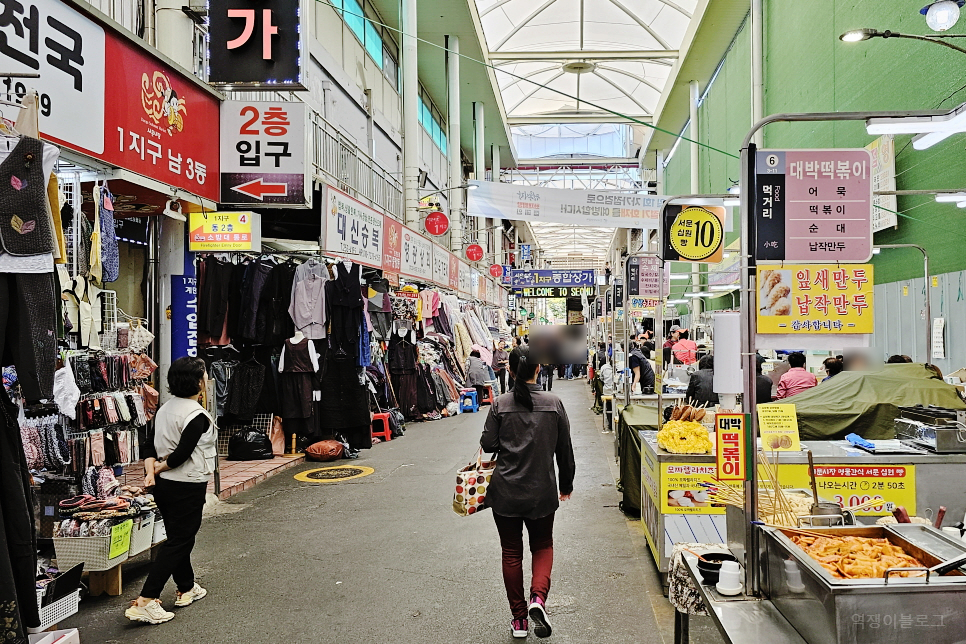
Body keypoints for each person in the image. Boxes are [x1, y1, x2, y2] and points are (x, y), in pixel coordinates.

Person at [481, 346, 575, 639]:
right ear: (539, 369)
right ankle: (538, 599)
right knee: (542, 546)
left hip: (505, 492)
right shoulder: (554, 403)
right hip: (541, 492)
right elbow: (565, 452)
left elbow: (487, 443)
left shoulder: (499, 404)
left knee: (511, 553)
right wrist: (566, 485)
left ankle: (520, 620)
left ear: (509, 371)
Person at [125, 357, 216, 625]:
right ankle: (146, 600)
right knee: (181, 540)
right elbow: (179, 457)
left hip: (164, 487)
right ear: (199, 382)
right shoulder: (196, 415)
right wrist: (160, 468)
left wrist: (152, 471)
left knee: (177, 536)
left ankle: (186, 586)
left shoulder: (164, 410)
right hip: (187, 484)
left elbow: (149, 447)